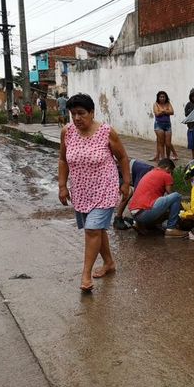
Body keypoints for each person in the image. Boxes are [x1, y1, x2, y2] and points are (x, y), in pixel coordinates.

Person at [58, 93, 131, 292]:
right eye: (73, 114)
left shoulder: (106, 132)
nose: (77, 118)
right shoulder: (67, 132)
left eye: (81, 113)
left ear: (92, 112)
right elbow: (63, 160)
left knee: (91, 230)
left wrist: (126, 183)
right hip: (81, 190)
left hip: (105, 188)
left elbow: (123, 157)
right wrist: (62, 185)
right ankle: (109, 262)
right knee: (96, 230)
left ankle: (85, 274)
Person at [128, 158, 185, 237]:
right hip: (144, 213)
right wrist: (183, 209)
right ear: (167, 169)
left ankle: (142, 224)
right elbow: (170, 193)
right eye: (171, 172)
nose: (171, 174)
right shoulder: (166, 175)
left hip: (135, 214)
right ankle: (171, 229)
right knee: (176, 196)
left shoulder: (150, 173)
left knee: (166, 207)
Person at [113, 158, 154, 230]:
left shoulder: (151, 173)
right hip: (118, 172)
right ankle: (118, 218)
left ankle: (130, 217)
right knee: (128, 192)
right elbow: (138, 194)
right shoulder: (145, 172)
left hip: (125, 170)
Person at [152, 91, 179, 162]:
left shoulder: (168, 103)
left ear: (166, 97)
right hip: (159, 125)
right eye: (160, 97)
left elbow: (172, 112)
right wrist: (166, 111)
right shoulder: (156, 104)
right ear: (158, 97)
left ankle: (168, 157)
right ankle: (163, 158)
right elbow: (157, 113)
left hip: (167, 125)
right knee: (161, 142)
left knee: (168, 143)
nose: (162, 98)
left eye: (163, 97)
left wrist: (162, 111)